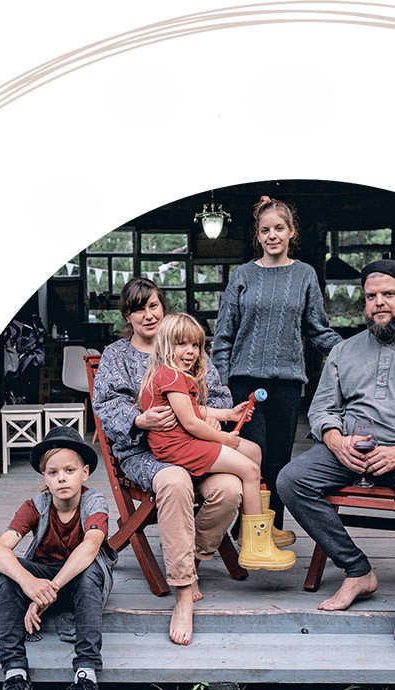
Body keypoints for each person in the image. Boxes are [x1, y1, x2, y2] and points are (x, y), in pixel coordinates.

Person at [276, 259, 395, 668]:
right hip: (351, 447)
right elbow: (322, 408)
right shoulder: (343, 350)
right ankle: (357, 569)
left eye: (388, 294)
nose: (379, 303)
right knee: (291, 480)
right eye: (371, 296)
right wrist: (335, 439)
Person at [91, 277, 242, 647]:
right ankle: (184, 593)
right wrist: (140, 419)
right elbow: (105, 406)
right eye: (138, 309)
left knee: (230, 488)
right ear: (127, 316)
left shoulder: (186, 346)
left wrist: (212, 419)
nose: (148, 315)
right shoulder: (116, 356)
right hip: (143, 453)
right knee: (175, 481)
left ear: (163, 308)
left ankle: (192, 559)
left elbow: (218, 395)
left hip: (195, 446)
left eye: (153, 306)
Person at [210, 196, 343, 548]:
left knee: (280, 460)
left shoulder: (304, 275)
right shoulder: (243, 275)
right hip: (244, 382)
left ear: (291, 232)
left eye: (279, 228)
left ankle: (271, 528)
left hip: (287, 382)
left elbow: (317, 329)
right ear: (258, 235)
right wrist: (221, 385)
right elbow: (224, 334)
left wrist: (351, 350)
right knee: (252, 454)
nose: (272, 235)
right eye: (265, 230)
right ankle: (248, 530)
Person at [138, 313, 296, 571]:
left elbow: (195, 410)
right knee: (250, 469)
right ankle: (256, 547)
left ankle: (252, 527)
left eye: (196, 345)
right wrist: (224, 438)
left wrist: (229, 414)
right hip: (179, 448)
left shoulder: (177, 375)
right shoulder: (172, 376)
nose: (190, 351)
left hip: (185, 443)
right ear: (166, 344)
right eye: (182, 344)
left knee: (254, 451)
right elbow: (191, 423)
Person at [0, 425, 115, 690]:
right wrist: (29, 583)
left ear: (85, 473)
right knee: (8, 572)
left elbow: (90, 547)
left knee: (90, 570)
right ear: (44, 477)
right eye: (53, 472)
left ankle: (86, 670)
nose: (62, 479)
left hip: (80, 583)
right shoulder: (35, 506)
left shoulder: (94, 502)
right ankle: (14, 670)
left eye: (70, 470)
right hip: (44, 580)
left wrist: (47, 593)